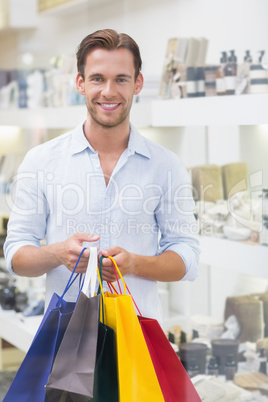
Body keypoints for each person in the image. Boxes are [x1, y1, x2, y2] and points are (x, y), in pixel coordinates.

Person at [4, 29, 200, 321]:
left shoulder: (166, 166)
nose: (109, 91)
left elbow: (187, 258)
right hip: (65, 342)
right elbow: (16, 256)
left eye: (121, 79)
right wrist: (57, 254)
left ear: (137, 84)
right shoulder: (41, 161)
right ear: (80, 83)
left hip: (138, 342)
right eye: (97, 78)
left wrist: (134, 264)